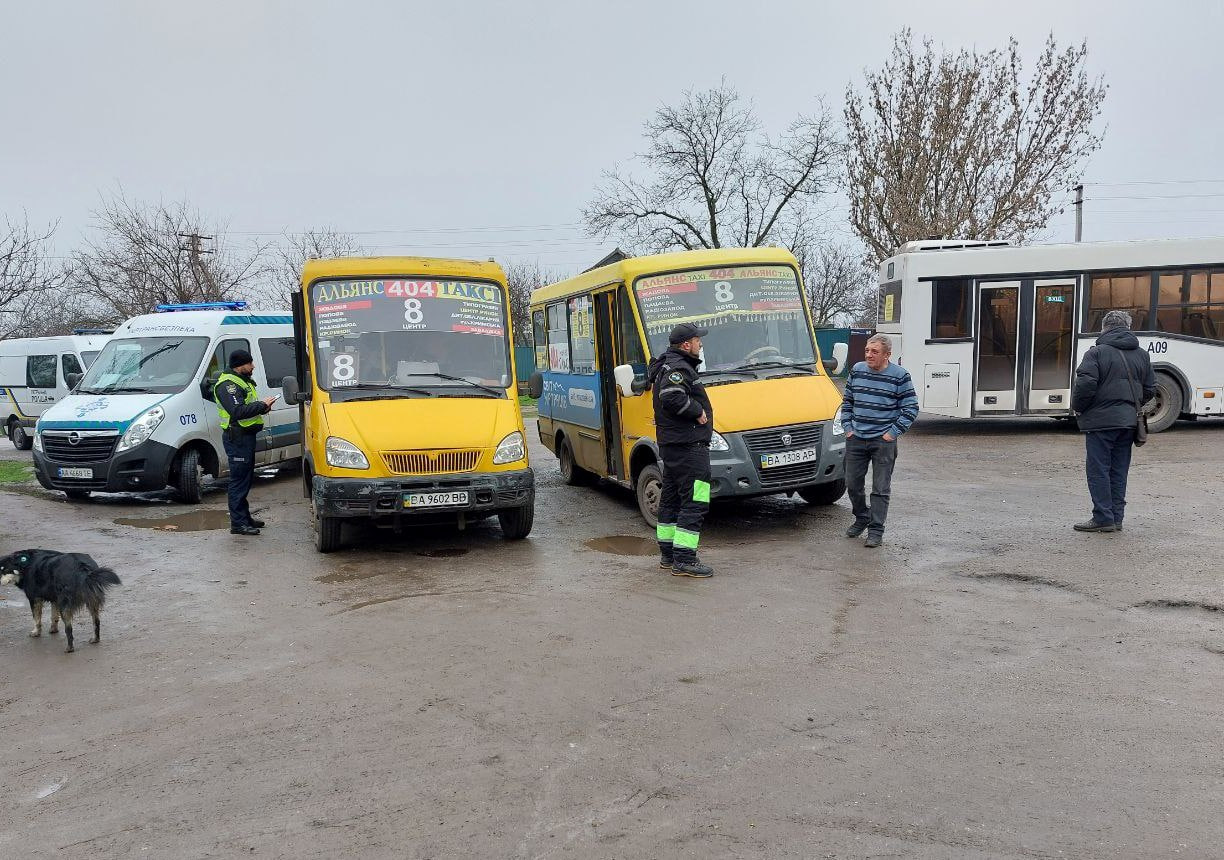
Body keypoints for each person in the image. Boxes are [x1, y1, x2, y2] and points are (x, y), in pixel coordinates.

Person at [1070, 309, 1156, 533]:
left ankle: (1102, 517)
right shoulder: (1142, 354)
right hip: (1128, 422)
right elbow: (1150, 389)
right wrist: (1130, 404)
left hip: (1100, 422)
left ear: (1104, 327)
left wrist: (1079, 408)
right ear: (1128, 327)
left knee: (1098, 469)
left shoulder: (1096, 353)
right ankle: (1116, 518)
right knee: (1119, 470)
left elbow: (1085, 386)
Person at [648, 322, 715, 578]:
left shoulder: (670, 364)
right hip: (689, 447)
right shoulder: (678, 368)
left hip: (675, 447)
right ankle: (685, 560)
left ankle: (668, 554)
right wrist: (697, 411)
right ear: (686, 344)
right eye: (698, 340)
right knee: (695, 501)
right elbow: (671, 396)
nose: (701, 344)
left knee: (671, 500)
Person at [840, 334, 918, 548]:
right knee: (852, 484)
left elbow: (911, 408)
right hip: (856, 438)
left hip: (883, 441)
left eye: (874, 352)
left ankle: (876, 530)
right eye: (867, 350)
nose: (869, 355)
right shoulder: (857, 370)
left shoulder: (900, 376)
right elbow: (847, 402)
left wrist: (891, 434)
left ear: (887, 355)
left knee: (880, 488)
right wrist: (848, 428)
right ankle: (862, 516)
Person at [213, 349, 277, 536]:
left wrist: (264, 408)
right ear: (240, 365)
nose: (253, 366)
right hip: (237, 438)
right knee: (238, 481)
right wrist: (261, 405)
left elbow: (246, 409)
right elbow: (237, 411)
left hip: (245, 437)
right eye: (250, 363)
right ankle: (238, 523)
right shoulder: (228, 385)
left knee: (245, 480)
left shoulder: (241, 381)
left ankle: (244, 517)